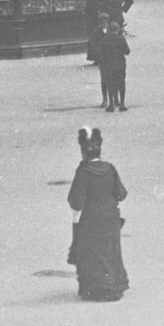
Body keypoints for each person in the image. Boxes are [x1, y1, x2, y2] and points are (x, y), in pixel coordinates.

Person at [66, 129, 128, 302]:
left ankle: (98, 289)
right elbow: (121, 193)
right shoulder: (110, 168)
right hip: (111, 217)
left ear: (83, 151)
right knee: (111, 251)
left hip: (91, 219)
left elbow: (76, 201)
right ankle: (115, 284)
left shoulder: (83, 172)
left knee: (92, 254)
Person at [90, 15, 130, 112]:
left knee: (110, 83)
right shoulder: (121, 38)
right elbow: (127, 51)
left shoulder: (105, 39)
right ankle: (121, 104)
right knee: (121, 84)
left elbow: (100, 51)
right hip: (120, 65)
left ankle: (111, 104)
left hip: (108, 65)